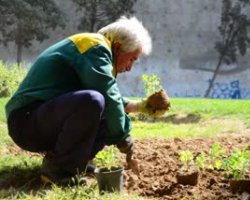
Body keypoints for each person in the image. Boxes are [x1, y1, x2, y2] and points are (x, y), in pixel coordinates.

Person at [5, 16, 160, 186]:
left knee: (100, 110)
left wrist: (141, 106)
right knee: (93, 101)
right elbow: (107, 95)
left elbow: (109, 98)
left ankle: (74, 165)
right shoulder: (95, 46)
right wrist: (123, 136)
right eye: (132, 59)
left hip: (40, 118)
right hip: (25, 121)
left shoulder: (93, 49)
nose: (130, 67)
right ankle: (57, 171)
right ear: (117, 47)